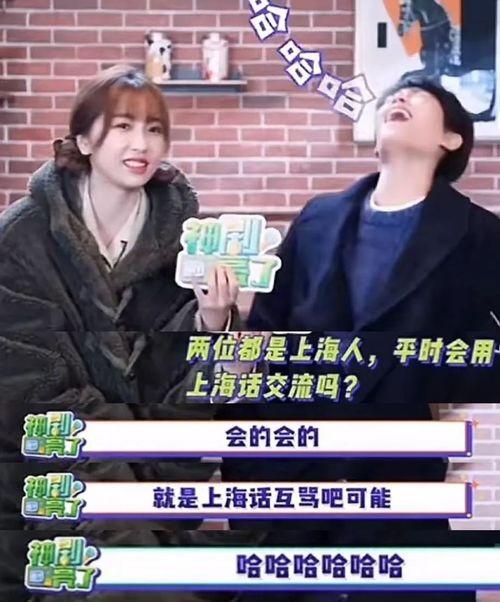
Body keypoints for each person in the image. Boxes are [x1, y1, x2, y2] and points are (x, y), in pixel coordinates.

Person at [221, 76, 500, 601]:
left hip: (397, 475)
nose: (400, 98)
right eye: (393, 95)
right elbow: (265, 329)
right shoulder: (318, 217)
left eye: (419, 96)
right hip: (291, 468)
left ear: (452, 138)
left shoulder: (478, 234)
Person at [0, 64, 240, 601]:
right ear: (84, 140)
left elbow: (189, 385)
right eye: (123, 127)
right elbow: (29, 386)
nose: (141, 144)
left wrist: (213, 322)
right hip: (45, 477)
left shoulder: (186, 243)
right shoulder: (21, 239)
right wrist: (121, 472)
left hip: (159, 484)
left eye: (154, 129)